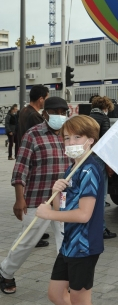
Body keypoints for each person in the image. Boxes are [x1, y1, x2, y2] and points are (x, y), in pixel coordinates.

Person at [36, 115, 112, 305]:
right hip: (70, 243)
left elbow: (84, 215)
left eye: (77, 138)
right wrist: (57, 194)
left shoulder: (91, 168)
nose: (70, 143)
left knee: (81, 303)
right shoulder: (74, 168)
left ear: (91, 140)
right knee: (56, 293)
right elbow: (64, 210)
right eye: (67, 138)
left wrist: (47, 214)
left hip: (84, 245)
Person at [0, 97, 70, 295]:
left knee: (65, 240)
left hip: (64, 199)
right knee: (28, 240)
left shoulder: (69, 134)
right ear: (45, 113)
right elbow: (20, 167)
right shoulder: (33, 135)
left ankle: (66, 280)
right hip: (38, 199)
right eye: (54, 112)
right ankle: (5, 272)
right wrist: (19, 198)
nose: (59, 115)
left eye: (62, 112)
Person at [89, 96, 117, 239]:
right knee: (101, 194)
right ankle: (101, 229)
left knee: (89, 193)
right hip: (98, 159)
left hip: (86, 158)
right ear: (105, 108)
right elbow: (105, 143)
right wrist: (109, 164)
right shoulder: (103, 119)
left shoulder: (87, 118)